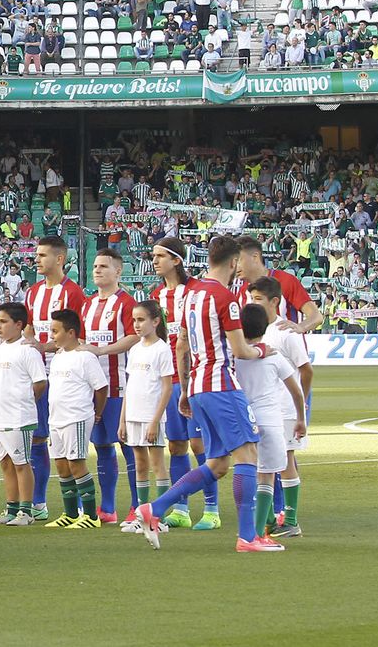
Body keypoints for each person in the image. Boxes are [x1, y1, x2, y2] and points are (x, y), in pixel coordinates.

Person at [132, 235, 284, 552]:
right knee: (247, 456)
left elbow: (183, 345)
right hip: (222, 385)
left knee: (217, 464)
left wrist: (186, 390)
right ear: (232, 262)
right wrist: (263, 351)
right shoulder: (225, 298)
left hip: (199, 386)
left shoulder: (190, 296)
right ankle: (247, 537)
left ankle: (153, 509)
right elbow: (241, 350)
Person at [148, 236, 216, 529]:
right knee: (176, 446)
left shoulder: (196, 292)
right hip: (170, 381)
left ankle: (212, 511)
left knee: (200, 445)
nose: (154, 261)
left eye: (160, 256)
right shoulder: (156, 297)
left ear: (177, 260)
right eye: (153, 256)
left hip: (197, 380)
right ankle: (181, 509)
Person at [22, 235, 86, 520]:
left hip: (64, 376)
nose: (37, 259)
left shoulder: (72, 292)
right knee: (38, 438)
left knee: (72, 442)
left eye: (43, 255)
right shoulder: (32, 292)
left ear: (60, 259)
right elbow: (29, 330)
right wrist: (31, 344)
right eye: (37, 255)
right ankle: (38, 504)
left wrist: (44, 347)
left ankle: (85, 505)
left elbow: (76, 336)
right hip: (38, 375)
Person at [246, 276, 313, 538]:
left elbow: (305, 370)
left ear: (275, 301)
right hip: (264, 408)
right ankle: (274, 518)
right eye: (252, 299)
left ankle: (291, 519)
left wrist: (300, 406)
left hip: (283, 408)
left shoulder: (286, 332)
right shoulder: (254, 330)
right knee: (266, 462)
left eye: (259, 299)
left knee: (284, 461)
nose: (254, 303)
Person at [236, 304, 307, 543]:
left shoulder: (236, 356)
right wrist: (300, 419)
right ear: (266, 327)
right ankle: (257, 534)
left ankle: (254, 526)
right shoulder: (273, 356)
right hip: (270, 419)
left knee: (249, 472)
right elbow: (296, 391)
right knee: (266, 476)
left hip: (244, 419)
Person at [81, 248, 139, 521]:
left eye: (104, 266)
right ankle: (108, 508)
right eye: (95, 266)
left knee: (129, 446)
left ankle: (137, 506)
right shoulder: (87, 304)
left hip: (120, 387)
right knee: (102, 446)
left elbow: (134, 337)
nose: (97, 270)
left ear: (118, 271)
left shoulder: (127, 303)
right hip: (94, 390)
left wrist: (103, 351)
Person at [42, 309, 108, 529]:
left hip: (77, 417)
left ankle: (91, 516)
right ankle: (70, 514)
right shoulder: (59, 356)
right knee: (61, 465)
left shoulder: (85, 357)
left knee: (76, 464)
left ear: (70, 332)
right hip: (56, 419)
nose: (52, 336)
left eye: (55, 331)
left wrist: (96, 412)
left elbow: (101, 388)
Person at [0, 302, 46, 526]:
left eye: (3, 322)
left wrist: (26, 401)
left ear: (19, 324)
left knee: (22, 463)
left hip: (19, 417)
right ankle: (11, 509)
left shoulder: (27, 351)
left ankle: (26, 511)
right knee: (6, 463)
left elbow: (40, 383)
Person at [118, 301, 175, 536]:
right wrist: (122, 420)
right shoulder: (135, 349)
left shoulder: (161, 349)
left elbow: (167, 388)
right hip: (133, 415)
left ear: (155, 321)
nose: (137, 325)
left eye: (141, 320)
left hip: (151, 416)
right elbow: (129, 386)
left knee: (157, 465)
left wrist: (155, 420)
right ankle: (142, 516)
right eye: (134, 320)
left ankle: (158, 517)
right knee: (140, 465)